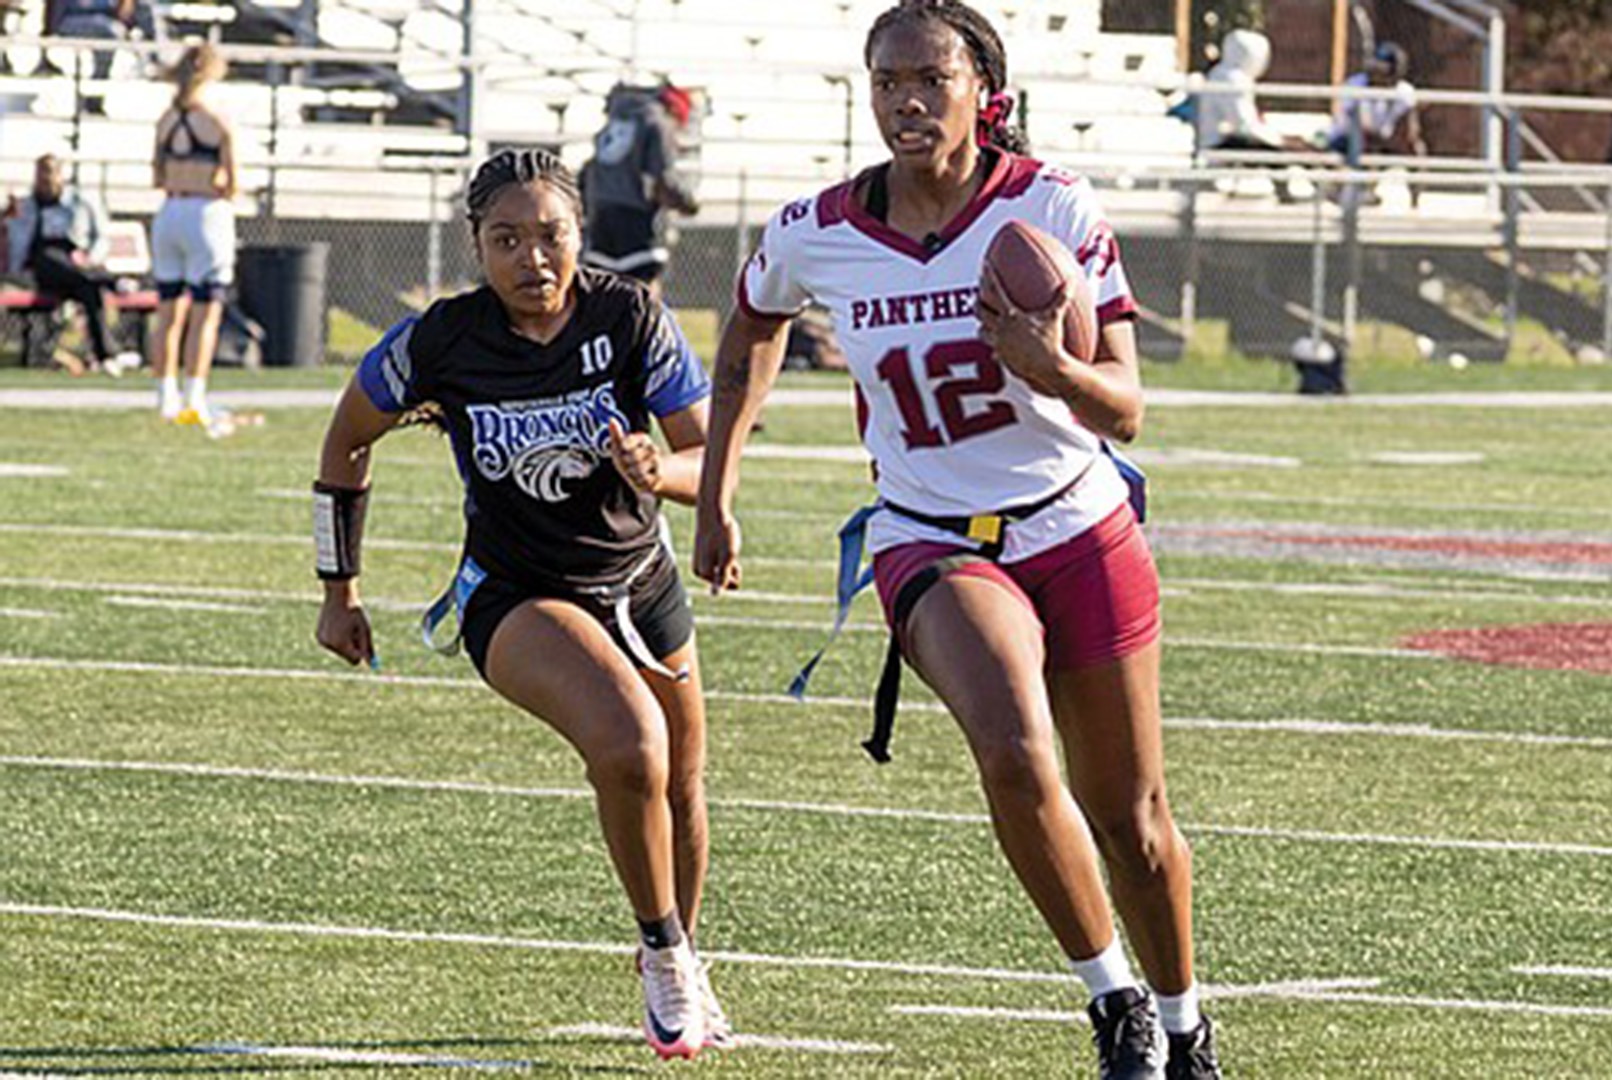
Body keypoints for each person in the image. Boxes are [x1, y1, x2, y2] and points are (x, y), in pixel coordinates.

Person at [694, 3, 1219, 1077]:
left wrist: (1052, 368)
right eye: (887, 81)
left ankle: (1183, 1025)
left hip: (1075, 519)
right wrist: (716, 486)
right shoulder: (818, 229)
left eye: (931, 79)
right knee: (1016, 751)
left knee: (1134, 822)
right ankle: (1114, 1001)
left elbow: (1125, 409)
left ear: (985, 91)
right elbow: (751, 320)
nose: (907, 101)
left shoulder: (1050, 207)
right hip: (930, 534)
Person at [313, 149, 727, 1062]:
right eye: (507, 239)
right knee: (631, 744)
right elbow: (345, 441)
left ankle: (683, 952)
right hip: (518, 593)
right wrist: (338, 590)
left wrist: (662, 469)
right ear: (476, 245)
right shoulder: (440, 339)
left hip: (641, 581)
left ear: (581, 233)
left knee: (681, 782)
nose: (532, 258)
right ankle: (663, 952)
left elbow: (709, 459)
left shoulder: (630, 315)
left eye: (551, 235)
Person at [149, 40, 237, 426]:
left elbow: (157, 175)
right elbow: (232, 181)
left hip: (169, 211)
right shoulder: (216, 121)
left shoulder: (166, 120)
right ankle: (194, 397)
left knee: (168, 311)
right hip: (205, 212)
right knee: (205, 311)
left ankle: (164, 396)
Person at [6, 153, 142, 374]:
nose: (45, 180)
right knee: (51, 257)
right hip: (40, 268)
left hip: (73, 266)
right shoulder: (27, 205)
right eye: (41, 174)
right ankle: (111, 282)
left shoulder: (78, 202)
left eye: (50, 173)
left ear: (60, 175)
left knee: (90, 292)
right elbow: (18, 242)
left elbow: (99, 238)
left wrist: (89, 258)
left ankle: (106, 356)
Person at [580, 82, 699, 288]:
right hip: (636, 219)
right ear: (674, 110)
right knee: (644, 291)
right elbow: (662, 182)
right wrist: (688, 204)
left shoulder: (613, 122)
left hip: (600, 220)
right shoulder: (657, 122)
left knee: (603, 290)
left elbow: (588, 173)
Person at [1326, 42, 1425, 161]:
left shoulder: (1404, 91)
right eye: (1375, 68)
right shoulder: (1357, 84)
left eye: (1383, 71)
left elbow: (1410, 131)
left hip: (1385, 143)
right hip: (1349, 141)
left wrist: (1409, 141)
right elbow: (1347, 123)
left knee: (1417, 147)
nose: (1376, 74)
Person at [1194, 27, 1281, 155]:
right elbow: (1242, 124)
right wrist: (1278, 141)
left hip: (1216, 141)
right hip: (1219, 144)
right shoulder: (1231, 79)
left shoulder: (1221, 74)